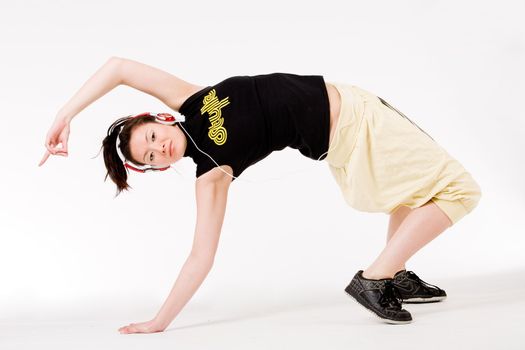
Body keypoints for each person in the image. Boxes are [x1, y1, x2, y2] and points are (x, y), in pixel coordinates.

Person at [39, 56, 482, 332]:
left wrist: (65, 113)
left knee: (413, 189)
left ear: (160, 118)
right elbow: (201, 256)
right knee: (460, 190)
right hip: (353, 126)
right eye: (152, 158)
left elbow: (118, 67)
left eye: (152, 138)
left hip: (347, 115)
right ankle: (375, 277)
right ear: (160, 169)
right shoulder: (211, 173)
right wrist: (161, 321)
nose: (159, 149)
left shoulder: (192, 99)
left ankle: (396, 272)